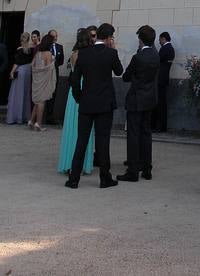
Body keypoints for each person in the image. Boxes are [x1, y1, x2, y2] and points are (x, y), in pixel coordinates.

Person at [65, 22, 123, 189]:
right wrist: (114, 49)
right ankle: (105, 178)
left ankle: (74, 179)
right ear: (109, 38)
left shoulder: (83, 53)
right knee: (103, 141)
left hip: (86, 103)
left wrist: (79, 98)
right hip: (104, 104)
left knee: (81, 140)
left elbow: (75, 79)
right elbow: (119, 71)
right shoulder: (111, 53)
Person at [118, 25, 160, 183]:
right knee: (146, 133)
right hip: (149, 98)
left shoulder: (138, 57)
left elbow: (126, 76)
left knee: (133, 135)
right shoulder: (156, 55)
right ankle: (147, 168)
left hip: (136, 99)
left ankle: (133, 170)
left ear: (140, 39)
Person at [58, 28, 94, 175]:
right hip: (84, 90)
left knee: (71, 128)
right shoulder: (87, 55)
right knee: (84, 129)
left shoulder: (74, 54)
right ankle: (81, 164)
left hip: (73, 92)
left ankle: (69, 162)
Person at [30, 33, 57, 131]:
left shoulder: (38, 53)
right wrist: (53, 61)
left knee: (37, 101)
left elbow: (32, 65)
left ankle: (31, 121)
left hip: (37, 79)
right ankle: (38, 123)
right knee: (42, 102)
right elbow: (48, 68)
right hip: (44, 80)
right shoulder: (48, 53)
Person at [6, 33, 32, 125]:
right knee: (25, 93)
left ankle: (15, 116)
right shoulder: (30, 50)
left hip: (20, 71)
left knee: (16, 93)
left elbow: (17, 62)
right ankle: (24, 116)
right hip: (28, 71)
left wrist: (12, 72)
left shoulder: (19, 49)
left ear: (21, 39)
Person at [152, 31, 175, 133]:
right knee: (162, 103)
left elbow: (157, 61)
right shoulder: (171, 49)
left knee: (159, 103)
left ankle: (159, 126)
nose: (159, 42)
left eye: (160, 40)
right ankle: (162, 126)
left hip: (160, 79)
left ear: (163, 39)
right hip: (164, 78)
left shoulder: (165, 49)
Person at [46, 28, 64, 124]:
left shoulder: (59, 47)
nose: (55, 38)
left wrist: (55, 65)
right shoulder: (45, 47)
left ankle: (50, 116)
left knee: (53, 94)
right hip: (46, 73)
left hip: (55, 72)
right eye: (53, 36)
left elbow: (61, 61)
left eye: (56, 36)